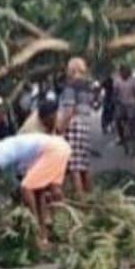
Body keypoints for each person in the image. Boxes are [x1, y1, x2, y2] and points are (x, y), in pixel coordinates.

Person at [0, 132, 70, 251]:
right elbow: (19, 173)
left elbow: (8, 183)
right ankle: (45, 236)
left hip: (51, 150)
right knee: (38, 192)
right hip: (59, 147)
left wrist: (4, 202)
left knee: (26, 187)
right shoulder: (9, 145)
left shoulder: (1, 154)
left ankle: (35, 225)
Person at [57, 57, 96, 196]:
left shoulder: (71, 86)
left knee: (74, 166)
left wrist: (61, 128)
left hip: (74, 125)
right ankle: (90, 195)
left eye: (68, 69)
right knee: (84, 164)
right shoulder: (87, 86)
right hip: (85, 124)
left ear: (72, 70)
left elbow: (69, 111)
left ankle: (80, 197)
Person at [112, 65, 135, 148]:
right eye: (122, 72)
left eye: (126, 71)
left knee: (132, 119)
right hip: (121, 104)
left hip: (131, 104)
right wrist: (115, 100)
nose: (124, 73)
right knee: (117, 119)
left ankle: (134, 134)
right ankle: (120, 136)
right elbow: (115, 93)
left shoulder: (134, 81)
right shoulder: (117, 81)